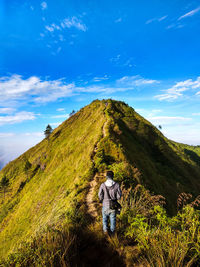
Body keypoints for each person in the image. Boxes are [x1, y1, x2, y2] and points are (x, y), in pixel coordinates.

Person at [98, 170, 122, 235]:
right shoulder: (117, 185)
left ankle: (105, 231)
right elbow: (119, 196)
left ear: (107, 176)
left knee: (104, 219)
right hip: (113, 206)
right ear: (112, 176)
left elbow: (100, 195)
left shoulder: (103, 185)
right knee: (113, 220)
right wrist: (115, 198)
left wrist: (102, 200)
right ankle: (112, 234)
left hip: (105, 205)